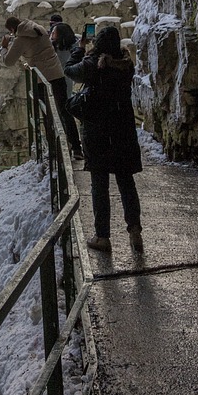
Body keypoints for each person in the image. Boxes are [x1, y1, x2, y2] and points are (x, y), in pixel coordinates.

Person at [65, 25, 143, 253]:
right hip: (123, 130)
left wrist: (79, 49)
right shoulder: (126, 64)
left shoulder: (93, 64)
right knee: (126, 181)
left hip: (98, 131)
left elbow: (70, 70)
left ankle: (102, 236)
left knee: (99, 184)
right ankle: (135, 230)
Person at [1, 15, 84, 158]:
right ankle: (76, 148)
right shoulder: (38, 29)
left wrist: (4, 47)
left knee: (48, 114)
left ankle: (54, 150)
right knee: (65, 111)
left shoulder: (20, 40)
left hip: (42, 79)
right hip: (58, 74)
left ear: (12, 29)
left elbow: (8, 61)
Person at [49, 13, 78, 96]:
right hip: (67, 77)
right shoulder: (74, 45)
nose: (52, 34)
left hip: (59, 77)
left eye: (54, 33)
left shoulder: (56, 47)